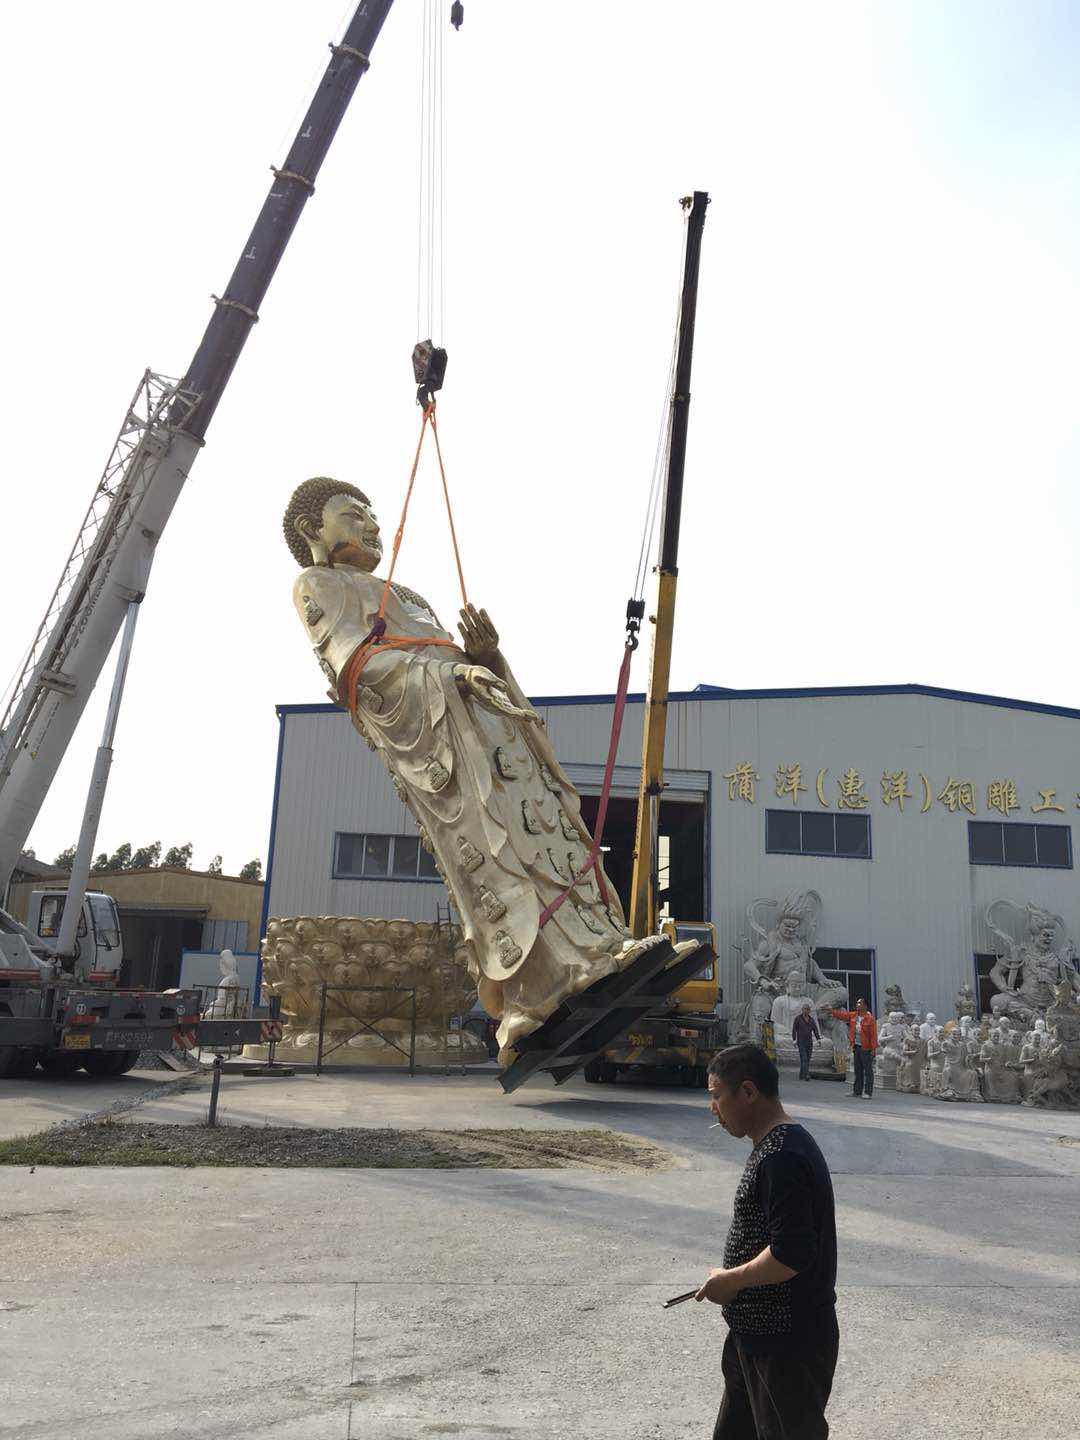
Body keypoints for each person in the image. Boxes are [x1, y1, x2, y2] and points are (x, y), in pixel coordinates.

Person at [697, 1044, 839, 1439]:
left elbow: (790, 1255)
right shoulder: (773, 1148)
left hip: (786, 1343)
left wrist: (730, 1280)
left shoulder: (784, 1156)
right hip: (755, 1336)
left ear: (748, 1092)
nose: (712, 1108)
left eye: (716, 1095)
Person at [830, 998, 877, 1098]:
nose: (857, 1005)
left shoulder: (870, 1019)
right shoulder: (854, 1015)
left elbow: (873, 1035)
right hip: (856, 1046)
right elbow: (842, 1015)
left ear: (865, 1006)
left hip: (866, 1048)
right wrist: (831, 1011)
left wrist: (873, 1049)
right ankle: (857, 1091)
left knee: (868, 1071)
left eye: (860, 1003)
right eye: (857, 1003)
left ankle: (868, 1092)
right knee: (858, 1070)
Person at [791, 1001, 820, 1081]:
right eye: (804, 1009)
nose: (806, 1011)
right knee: (804, 1058)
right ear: (802, 1010)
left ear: (809, 1011)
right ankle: (807, 1074)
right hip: (801, 1041)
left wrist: (818, 1039)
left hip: (809, 1041)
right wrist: (794, 1039)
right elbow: (794, 1029)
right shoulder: (798, 1018)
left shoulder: (811, 1020)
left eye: (807, 1009)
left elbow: (815, 1030)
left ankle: (801, 1075)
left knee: (807, 1058)